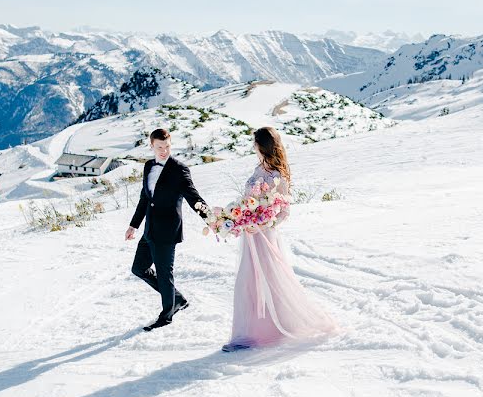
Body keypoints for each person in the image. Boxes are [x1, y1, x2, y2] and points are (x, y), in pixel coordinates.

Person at [223, 127, 339, 352]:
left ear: (260, 145)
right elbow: (250, 200)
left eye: (254, 143)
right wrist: (239, 216)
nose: (253, 146)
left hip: (264, 236)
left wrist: (264, 224)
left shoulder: (277, 175)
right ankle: (247, 333)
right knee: (247, 281)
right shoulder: (258, 168)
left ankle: (272, 329)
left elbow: (284, 211)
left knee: (270, 281)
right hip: (250, 235)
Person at [126, 128, 209, 332]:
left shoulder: (179, 170)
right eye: (159, 147)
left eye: (167, 147)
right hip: (149, 229)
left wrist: (211, 219)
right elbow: (145, 198)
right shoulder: (148, 166)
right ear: (152, 146)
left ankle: (167, 315)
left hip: (167, 230)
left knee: (164, 274)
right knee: (138, 268)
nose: (164, 151)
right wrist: (133, 225)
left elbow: (193, 197)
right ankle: (177, 299)